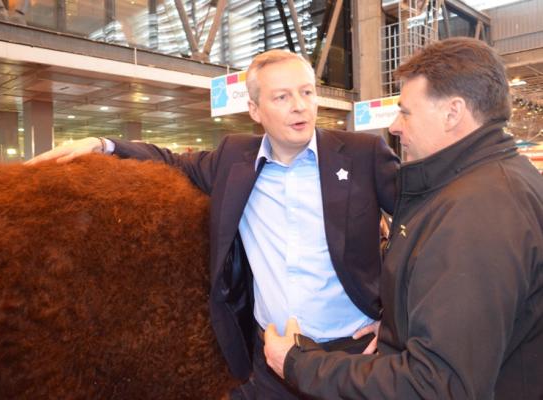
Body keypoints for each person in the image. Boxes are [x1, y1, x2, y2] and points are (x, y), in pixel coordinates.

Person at [26, 49, 399, 399]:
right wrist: (103, 145)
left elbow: (421, 229)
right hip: (270, 358)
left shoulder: (363, 154)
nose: (300, 106)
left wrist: (398, 321)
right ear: (254, 109)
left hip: (354, 352)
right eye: (282, 97)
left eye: (306, 92)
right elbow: (170, 161)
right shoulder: (234, 158)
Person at [264, 37, 543, 399]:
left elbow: (435, 384)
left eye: (406, 111)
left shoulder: (478, 212)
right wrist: (404, 322)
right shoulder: (494, 181)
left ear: (453, 113)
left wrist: (298, 363)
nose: (395, 126)